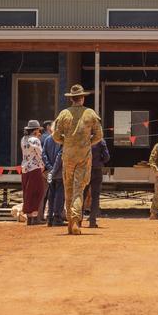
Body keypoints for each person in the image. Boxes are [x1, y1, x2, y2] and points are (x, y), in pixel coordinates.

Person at [53, 85, 103, 235]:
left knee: (68, 187)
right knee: (78, 189)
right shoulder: (90, 113)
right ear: (82, 98)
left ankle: (70, 221)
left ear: (71, 98)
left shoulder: (64, 114)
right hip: (83, 155)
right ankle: (75, 220)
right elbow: (99, 135)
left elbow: (55, 136)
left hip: (67, 154)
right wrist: (87, 142)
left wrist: (66, 141)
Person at [21, 120, 45, 225]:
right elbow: (40, 154)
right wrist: (43, 166)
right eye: (38, 130)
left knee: (27, 192)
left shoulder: (23, 139)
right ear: (35, 130)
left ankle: (29, 217)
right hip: (34, 168)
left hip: (24, 168)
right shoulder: (35, 140)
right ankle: (34, 217)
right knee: (38, 192)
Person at [43, 124, 65, 226]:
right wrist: (54, 170)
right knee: (59, 196)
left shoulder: (47, 139)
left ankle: (49, 218)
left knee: (50, 196)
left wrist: (50, 168)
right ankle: (57, 218)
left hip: (50, 173)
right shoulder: (61, 140)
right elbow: (59, 156)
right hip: (59, 173)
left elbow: (44, 155)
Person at [87, 139, 110, 228]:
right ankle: (92, 221)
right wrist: (100, 162)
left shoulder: (84, 138)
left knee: (82, 194)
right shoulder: (100, 141)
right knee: (95, 196)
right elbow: (107, 157)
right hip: (97, 170)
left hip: (85, 169)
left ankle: (78, 220)